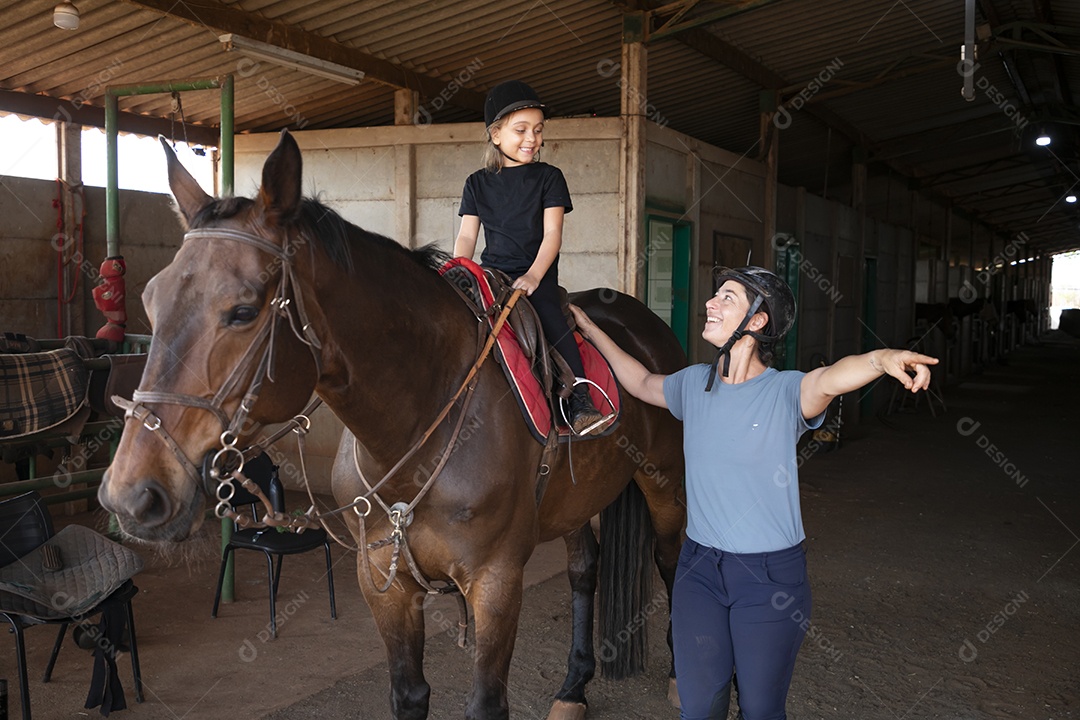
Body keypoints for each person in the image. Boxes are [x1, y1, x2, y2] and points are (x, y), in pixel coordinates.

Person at [570, 266, 938, 719]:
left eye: (727, 297)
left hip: (768, 580)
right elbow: (642, 382)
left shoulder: (785, 392)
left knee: (761, 710)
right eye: (716, 295)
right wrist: (591, 331)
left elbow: (831, 378)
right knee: (699, 708)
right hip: (699, 571)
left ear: (758, 321)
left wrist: (881, 359)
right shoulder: (693, 383)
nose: (711, 303)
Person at [454, 80, 612, 436]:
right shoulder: (476, 184)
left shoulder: (549, 178)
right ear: (495, 135)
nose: (532, 139)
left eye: (538, 131)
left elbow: (552, 234)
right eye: (521, 130)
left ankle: (581, 399)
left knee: (552, 322)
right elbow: (467, 235)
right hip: (491, 273)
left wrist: (534, 277)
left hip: (535, 278)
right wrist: (460, 269)